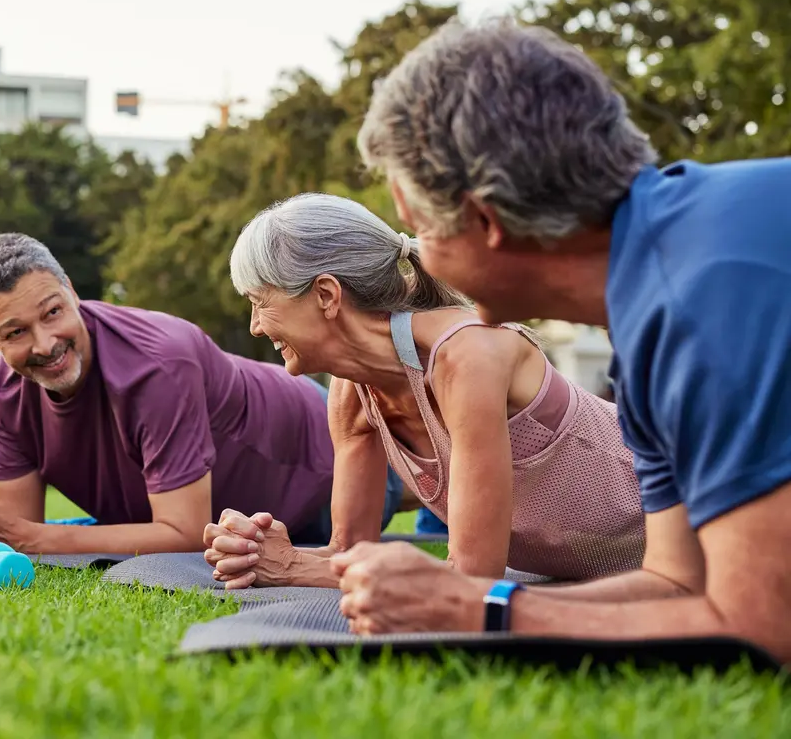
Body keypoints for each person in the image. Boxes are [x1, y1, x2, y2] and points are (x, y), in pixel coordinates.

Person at [326, 15, 791, 665]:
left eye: (417, 233)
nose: (419, 265)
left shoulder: (703, 293)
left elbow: (761, 626)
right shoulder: (659, 289)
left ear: (483, 219)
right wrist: (464, 599)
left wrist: (478, 609)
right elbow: (676, 583)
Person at [202, 193, 645, 590]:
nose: (255, 326)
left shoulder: (467, 356)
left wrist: (294, 567)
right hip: (597, 572)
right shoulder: (352, 393)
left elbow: (472, 577)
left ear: (325, 295)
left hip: (689, 520)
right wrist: (259, 551)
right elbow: (348, 551)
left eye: (261, 302)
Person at [0, 232, 415, 555]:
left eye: (52, 312)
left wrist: (33, 537)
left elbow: (181, 535)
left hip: (325, 456)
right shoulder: (3, 384)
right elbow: (20, 527)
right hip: (245, 514)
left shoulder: (156, 363)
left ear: (72, 291)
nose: (45, 345)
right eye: (14, 333)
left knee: (429, 480)